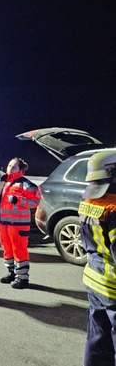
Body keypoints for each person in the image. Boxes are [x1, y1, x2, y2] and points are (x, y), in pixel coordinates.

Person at [79, 150, 116, 366]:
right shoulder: (114, 209)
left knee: (97, 341)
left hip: (94, 281)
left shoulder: (89, 201)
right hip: (113, 287)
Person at [0, 157, 42, 289]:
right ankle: (11, 273)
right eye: (9, 165)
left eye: (14, 166)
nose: (10, 168)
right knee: (7, 249)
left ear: (20, 169)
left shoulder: (26, 184)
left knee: (19, 250)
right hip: (2, 223)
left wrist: (19, 201)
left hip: (18, 224)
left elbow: (36, 201)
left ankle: (22, 278)